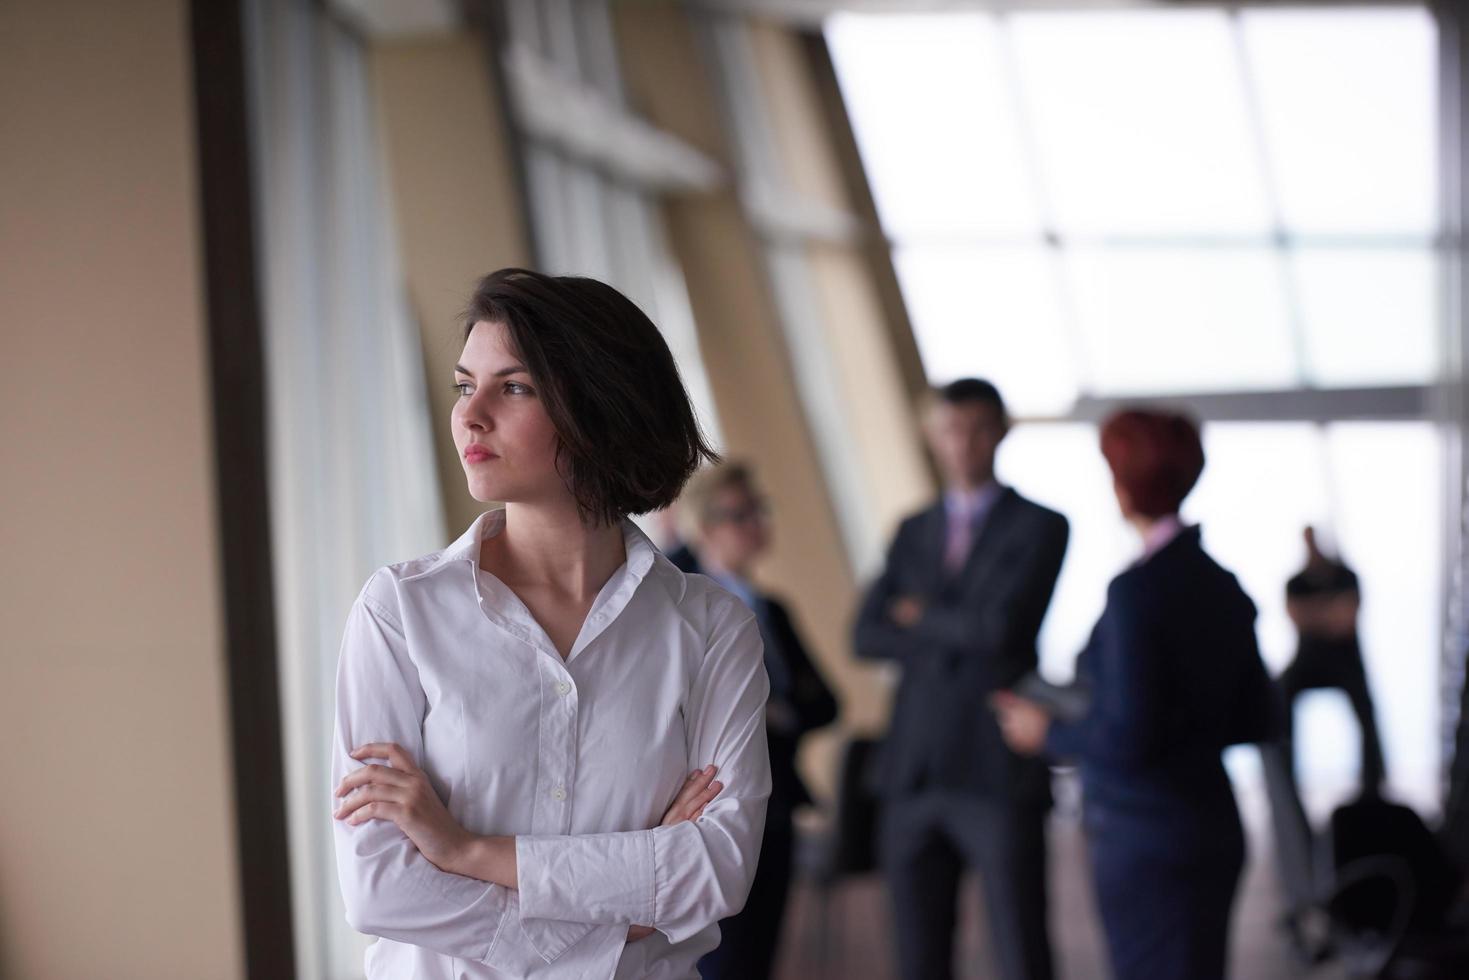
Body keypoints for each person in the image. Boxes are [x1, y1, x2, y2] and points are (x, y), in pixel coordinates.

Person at [329, 268, 772, 979]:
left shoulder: (712, 628)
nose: (470, 415)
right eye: (463, 384)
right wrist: (626, 914)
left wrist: (467, 851)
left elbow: (716, 872)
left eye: (512, 388)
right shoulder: (400, 613)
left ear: (598, 406)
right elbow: (381, 890)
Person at [994, 409, 1279, 980]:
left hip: (1142, 836)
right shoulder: (1224, 586)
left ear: (1124, 484)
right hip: (1211, 826)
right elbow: (1258, 717)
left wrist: (1046, 731)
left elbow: (1128, 738)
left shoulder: (1135, 592)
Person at [854, 378, 1068, 980]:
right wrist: (958, 625)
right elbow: (865, 633)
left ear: (1001, 432)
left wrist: (919, 614)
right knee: (918, 956)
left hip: (995, 763)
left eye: (976, 429)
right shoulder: (912, 529)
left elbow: (1002, 630)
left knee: (1021, 947)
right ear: (931, 436)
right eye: (950, 430)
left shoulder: (1042, 525)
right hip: (913, 769)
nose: (963, 444)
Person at [672, 463, 839, 980]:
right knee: (721, 961)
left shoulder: (771, 607)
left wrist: (773, 712)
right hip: (707, 810)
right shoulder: (676, 603)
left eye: (758, 510)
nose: (756, 524)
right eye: (739, 514)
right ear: (705, 527)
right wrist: (769, 710)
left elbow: (826, 704)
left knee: (760, 959)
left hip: (777, 805)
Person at [1281, 526, 1386, 796]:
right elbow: (1298, 617)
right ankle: (1285, 785)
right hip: (1308, 663)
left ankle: (1373, 787)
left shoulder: (1345, 576)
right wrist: (1330, 610)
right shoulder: (1296, 582)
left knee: (1366, 712)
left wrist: (1314, 613)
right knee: (1277, 697)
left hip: (1344, 664)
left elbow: (1346, 619)